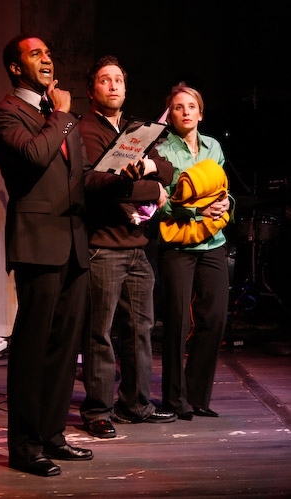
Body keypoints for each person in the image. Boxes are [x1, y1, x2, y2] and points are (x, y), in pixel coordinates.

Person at [0, 33, 93, 477]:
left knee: (66, 348)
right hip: (37, 241)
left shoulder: (57, 116)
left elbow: (79, 174)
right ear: (15, 67)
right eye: (36, 54)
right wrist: (64, 114)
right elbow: (33, 155)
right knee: (32, 349)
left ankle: (51, 434)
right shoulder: (3, 113)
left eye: (49, 53)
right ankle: (24, 446)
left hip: (74, 240)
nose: (48, 59)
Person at [78, 55, 176, 439]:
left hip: (137, 245)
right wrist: (150, 188)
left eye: (119, 79)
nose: (114, 86)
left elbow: (166, 170)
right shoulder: (86, 129)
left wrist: (150, 171)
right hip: (104, 245)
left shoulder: (137, 130)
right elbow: (95, 183)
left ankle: (135, 404)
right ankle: (97, 410)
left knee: (140, 328)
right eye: (105, 80)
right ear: (92, 90)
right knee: (100, 332)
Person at [156, 82, 233, 421]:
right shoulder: (160, 149)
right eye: (178, 107)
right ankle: (174, 400)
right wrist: (197, 211)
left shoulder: (213, 147)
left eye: (191, 106)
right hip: (178, 243)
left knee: (214, 319)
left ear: (201, 113)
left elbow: (221, 188)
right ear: (170, 115)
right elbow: (162, 203)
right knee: (176, 320)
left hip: (212, 242)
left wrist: (223, 204)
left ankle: (197, 395)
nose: (185, 112)